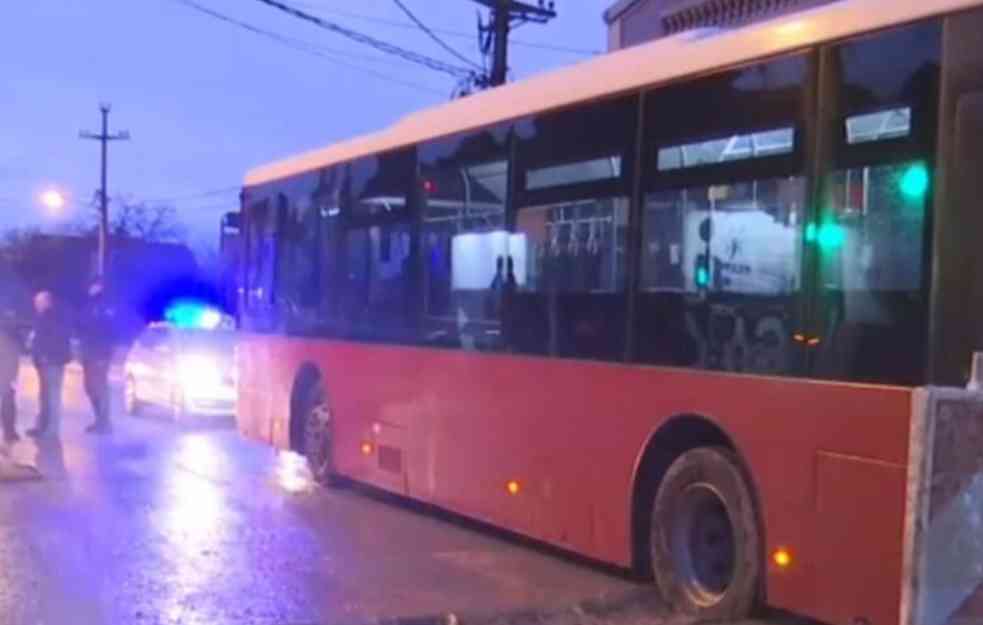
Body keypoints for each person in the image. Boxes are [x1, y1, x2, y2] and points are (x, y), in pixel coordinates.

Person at [27, 291, 71, 439]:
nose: (36, 305)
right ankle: (41, 426)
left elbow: (56, 339)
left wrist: (47, 356)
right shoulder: (41, 316)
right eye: (35, 302)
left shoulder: (54, 317)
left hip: (53, 362)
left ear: (47, 302)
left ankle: (52, 430)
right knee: (44, 396)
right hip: (43, 363)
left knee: (52, 396)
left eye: (38, 302)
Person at [78, 278, 116, 433]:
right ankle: (99, 419)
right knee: (89, 387)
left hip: (100, 352)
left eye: (94, 286)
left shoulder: (106, 306)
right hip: (89, 351)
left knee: (99, 386)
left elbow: (108, 330)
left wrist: (106, 352)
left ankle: (104, 421)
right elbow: (81, 324)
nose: (91, 289)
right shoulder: (89, 305)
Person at [0, 321, 21, 443]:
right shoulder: (9, 339)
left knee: (8, 403)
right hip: (8, 376)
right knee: (8, 403)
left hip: (6, 376)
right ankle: (9, 432)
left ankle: (9, 432)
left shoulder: (5, 339)